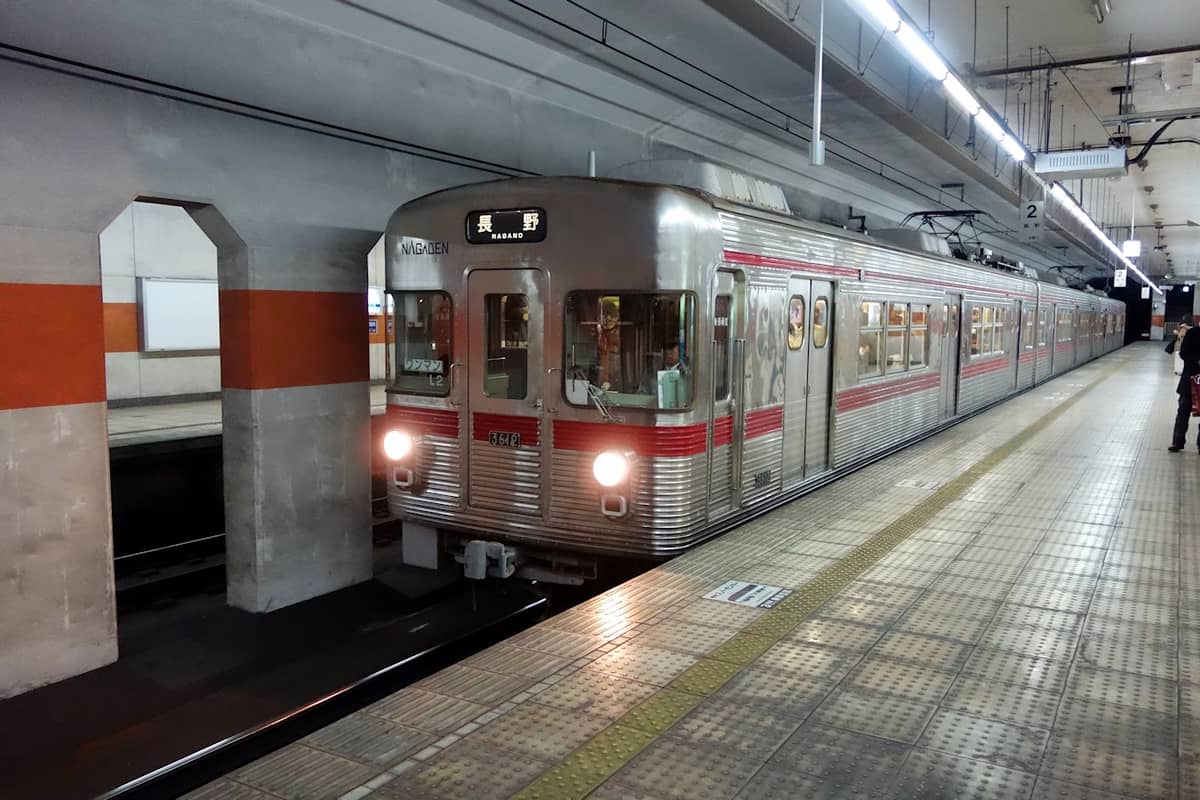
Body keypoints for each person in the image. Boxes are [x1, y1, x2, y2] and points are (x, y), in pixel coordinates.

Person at [1169, 322, 1200, 452]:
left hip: (1190, 378)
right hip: (1189, 380)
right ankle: (1178, 441)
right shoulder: (1193, 333)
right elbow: (1183, 353)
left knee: (1182, 412)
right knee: (1183, 411)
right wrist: (1196, 361)